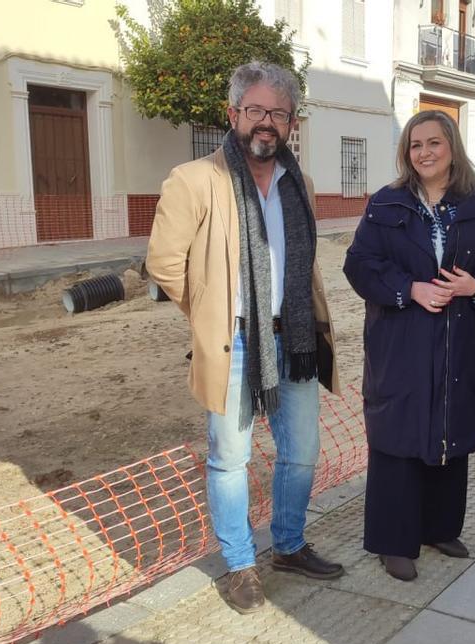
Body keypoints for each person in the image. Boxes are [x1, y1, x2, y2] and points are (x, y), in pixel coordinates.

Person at [146, 61, 344, 615]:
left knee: (302, 453)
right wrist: (213, 311)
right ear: (232, 115)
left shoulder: (298, 182)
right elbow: (164, 264)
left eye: (278, 113)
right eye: (255, 110)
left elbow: (303, 267)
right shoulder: (195, 180)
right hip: (235, 345)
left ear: (292, 123)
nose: (267, 123)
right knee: (230, 460)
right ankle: (240, 565)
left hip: (296, 340)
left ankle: (288, 544)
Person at [343, 110, 475, 582]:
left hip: (460, 339)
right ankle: (392, 541)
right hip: (400, 342)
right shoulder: (387, 203)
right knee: (398, 433)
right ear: (406, 152)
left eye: (434, 143)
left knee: (450, 425)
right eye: (415, 145)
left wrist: (474, 285)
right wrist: (409, 290)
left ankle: (439, 527)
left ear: (451, 147)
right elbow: (359, 265)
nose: (424, 152)